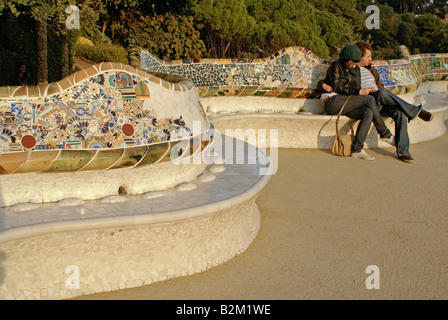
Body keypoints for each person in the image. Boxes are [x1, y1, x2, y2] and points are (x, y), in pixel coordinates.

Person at [355, 41, 433, 163]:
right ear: (359, 57)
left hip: (380, 101)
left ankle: (403, 152)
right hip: (367, 102)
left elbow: (380, 86)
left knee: (399, 113)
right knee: (382, 93)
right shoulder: (352, 71)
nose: (371, 59)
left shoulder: (371, 70)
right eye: (368, 57)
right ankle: (415, 111)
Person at [318, 44, 394, 161]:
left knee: (368, 112)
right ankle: (384, 133)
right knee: (369, 100)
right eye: (352, 63)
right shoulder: (336, 66)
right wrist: (359, 92)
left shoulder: (355, 69)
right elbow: (338, 87)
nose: (354, 66)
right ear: (346, 60)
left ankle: (357, 149)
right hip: (332, 101)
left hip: (347, 102)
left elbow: (356, 88)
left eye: (356, 63)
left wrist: (365, 91)